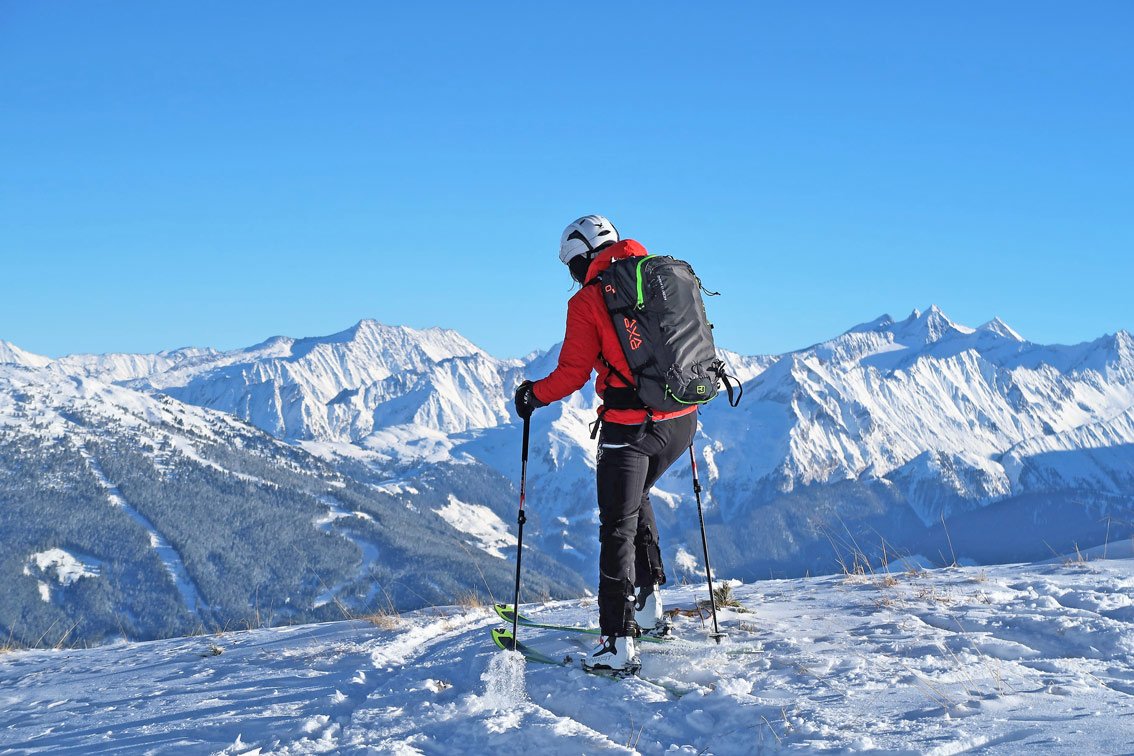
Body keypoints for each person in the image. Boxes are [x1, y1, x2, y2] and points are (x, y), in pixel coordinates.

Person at [513, 215, 698, 673]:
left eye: (573, 266)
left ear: (584, 257)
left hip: (630, 428)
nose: (574, 276)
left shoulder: (589, 300)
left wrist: (532, 395)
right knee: (638, 499)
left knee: (616, 525)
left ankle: (617, 642)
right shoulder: (660, 278)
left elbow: (572, 374)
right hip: (682, 420)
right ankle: (649, 608)